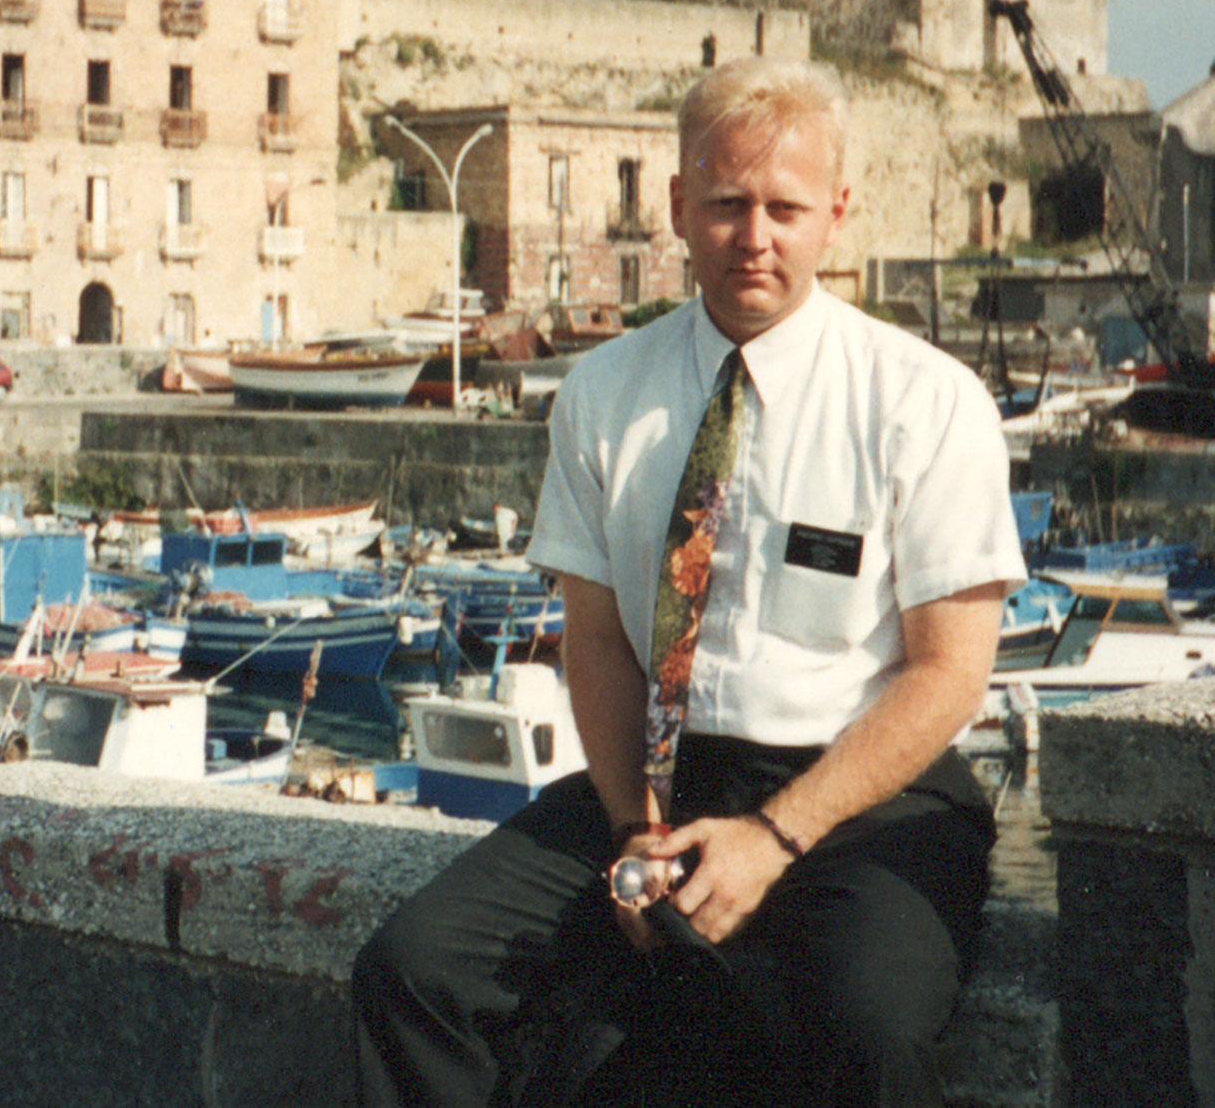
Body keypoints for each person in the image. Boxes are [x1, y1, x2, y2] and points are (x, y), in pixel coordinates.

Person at [352, 57, 1025, 1107]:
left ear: (835, 213)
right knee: (413, 969)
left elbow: (947, 675)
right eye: (724, 204)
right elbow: (599, 639)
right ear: (675, 206)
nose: (753, 236)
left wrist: (773, 837)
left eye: (784, 208)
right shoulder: (602, 390)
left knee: (867, 1028)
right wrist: (634, 828)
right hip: (662, 782)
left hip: (864, 797)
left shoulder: (923, 403)